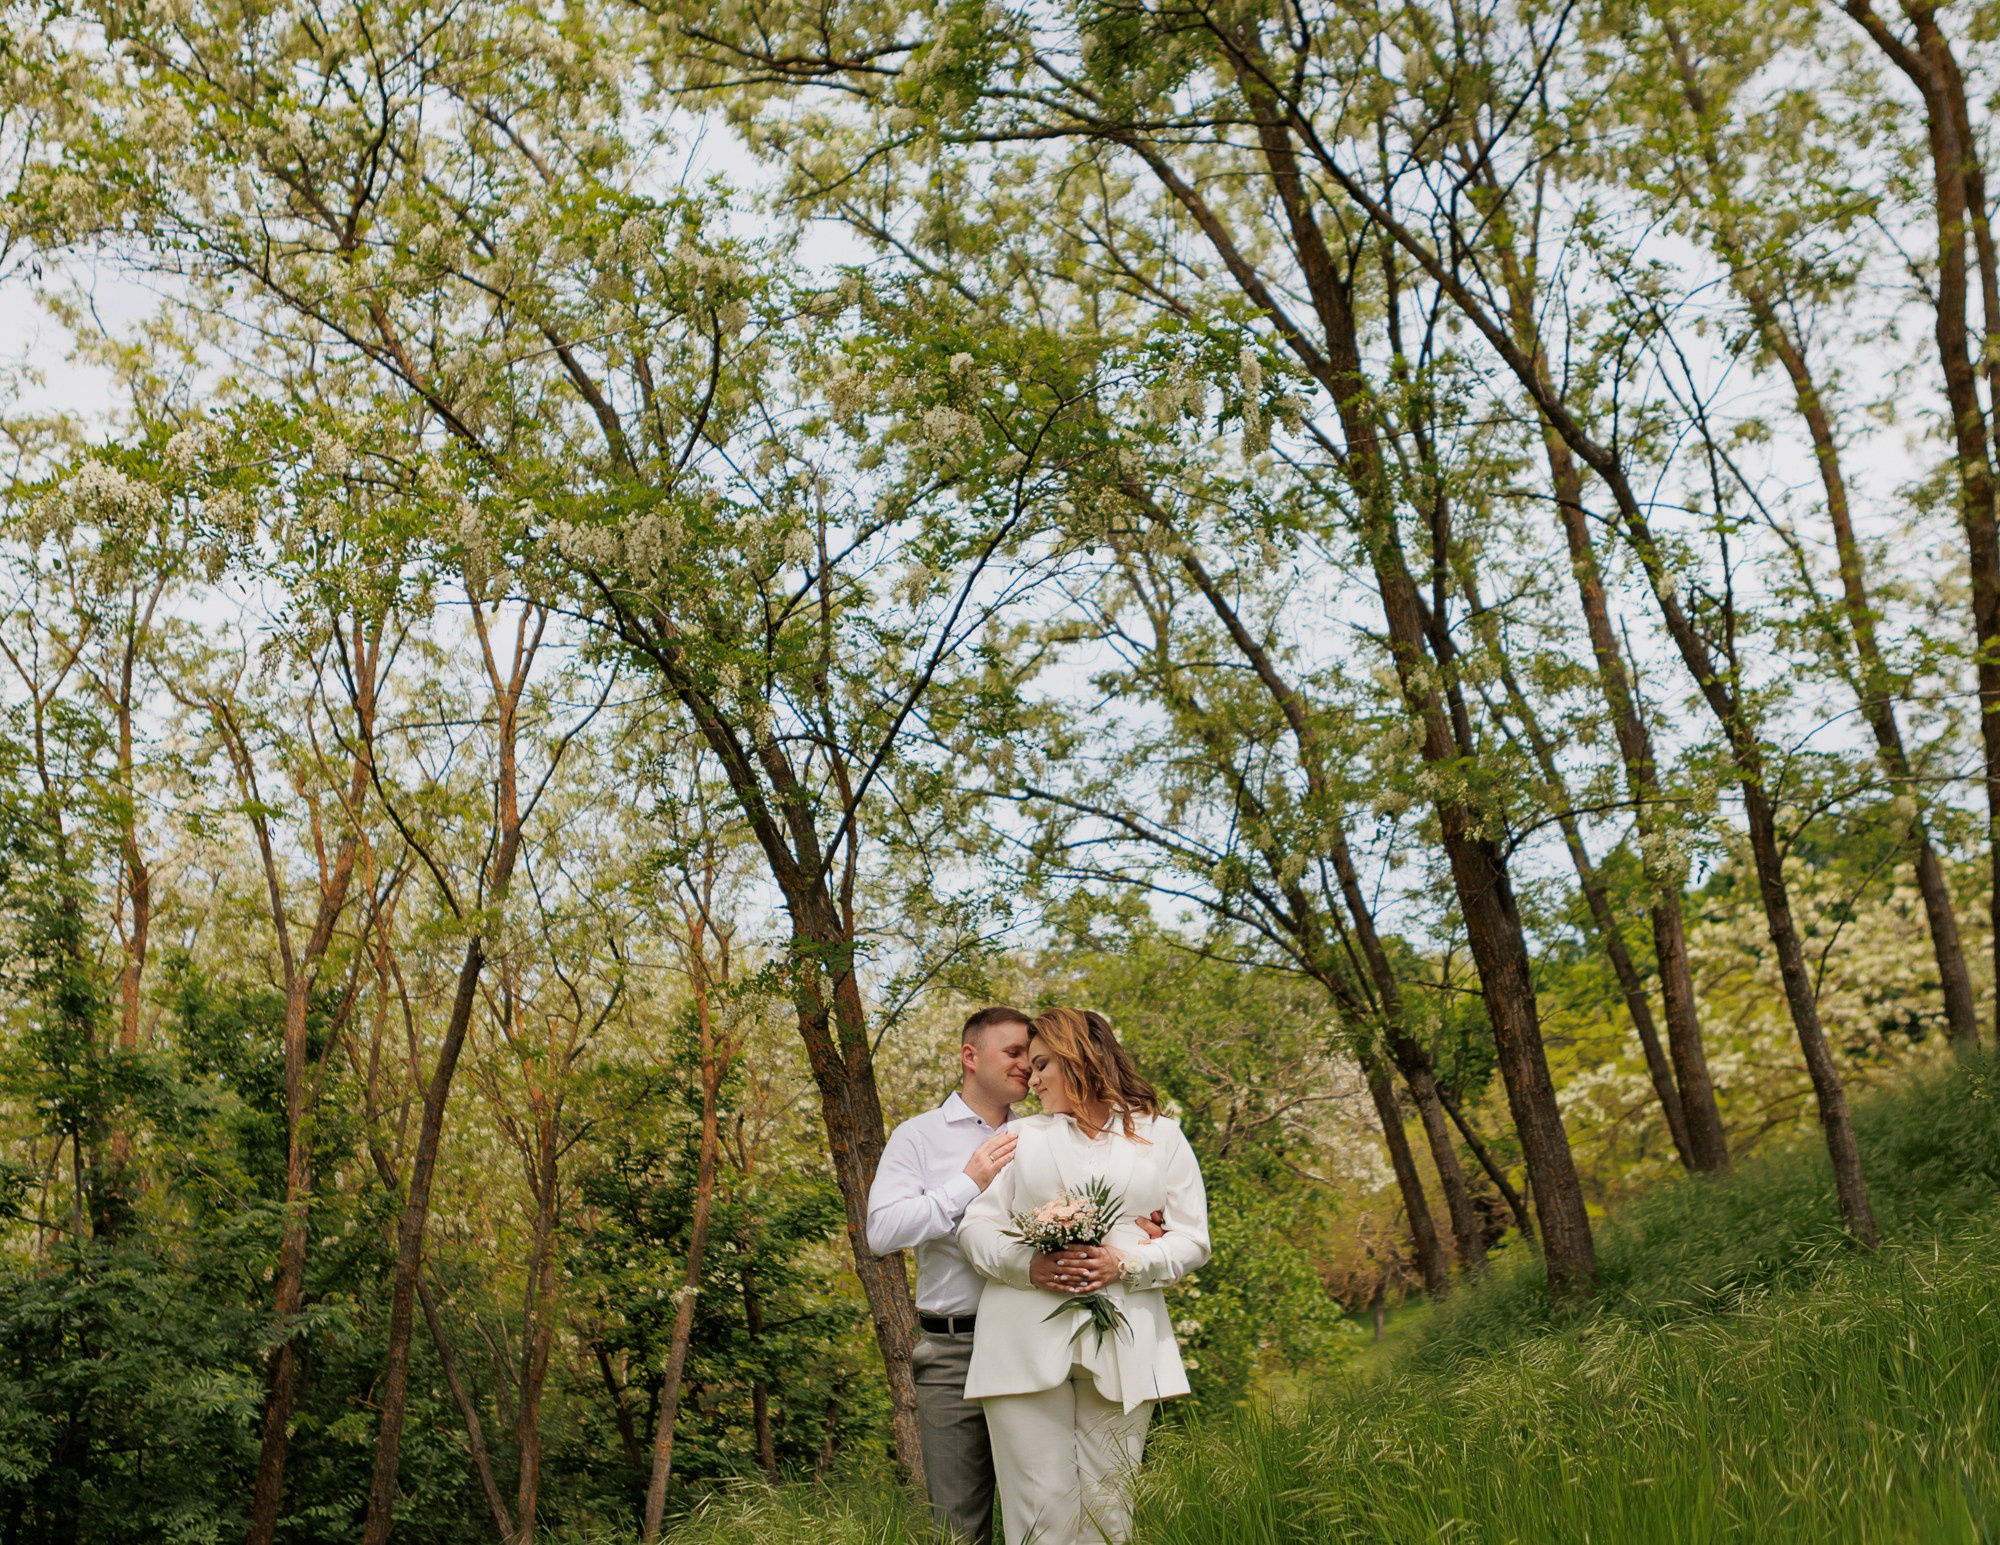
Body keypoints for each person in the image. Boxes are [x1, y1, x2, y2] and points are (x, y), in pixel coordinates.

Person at [957, 1007, 1211, 1545]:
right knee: (1039, 1513)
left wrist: (1129, 1262)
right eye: (1030, 1063)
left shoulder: (1160, 1136)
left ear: (1084, 1059)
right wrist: (1029, 1265)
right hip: (1020, 1343)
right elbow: (974, 1228)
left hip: (1126, 1337)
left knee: (1110, 1508)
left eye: (1045, 1062)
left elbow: (1193, 1238)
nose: (1033, 1077)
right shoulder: (1020, 1137)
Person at [866, 1006, 1033, 1544]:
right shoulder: (918, 1137)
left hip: (1036, 1341)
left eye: (1031, 1055)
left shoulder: (1043, 1135)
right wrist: (967, 1184)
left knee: (1046, 1514)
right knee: (957, 1531)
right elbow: (882, 1232)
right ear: (970, 1056)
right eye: (1013, 1052)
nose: (1027, 1065)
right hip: (953, 1353)